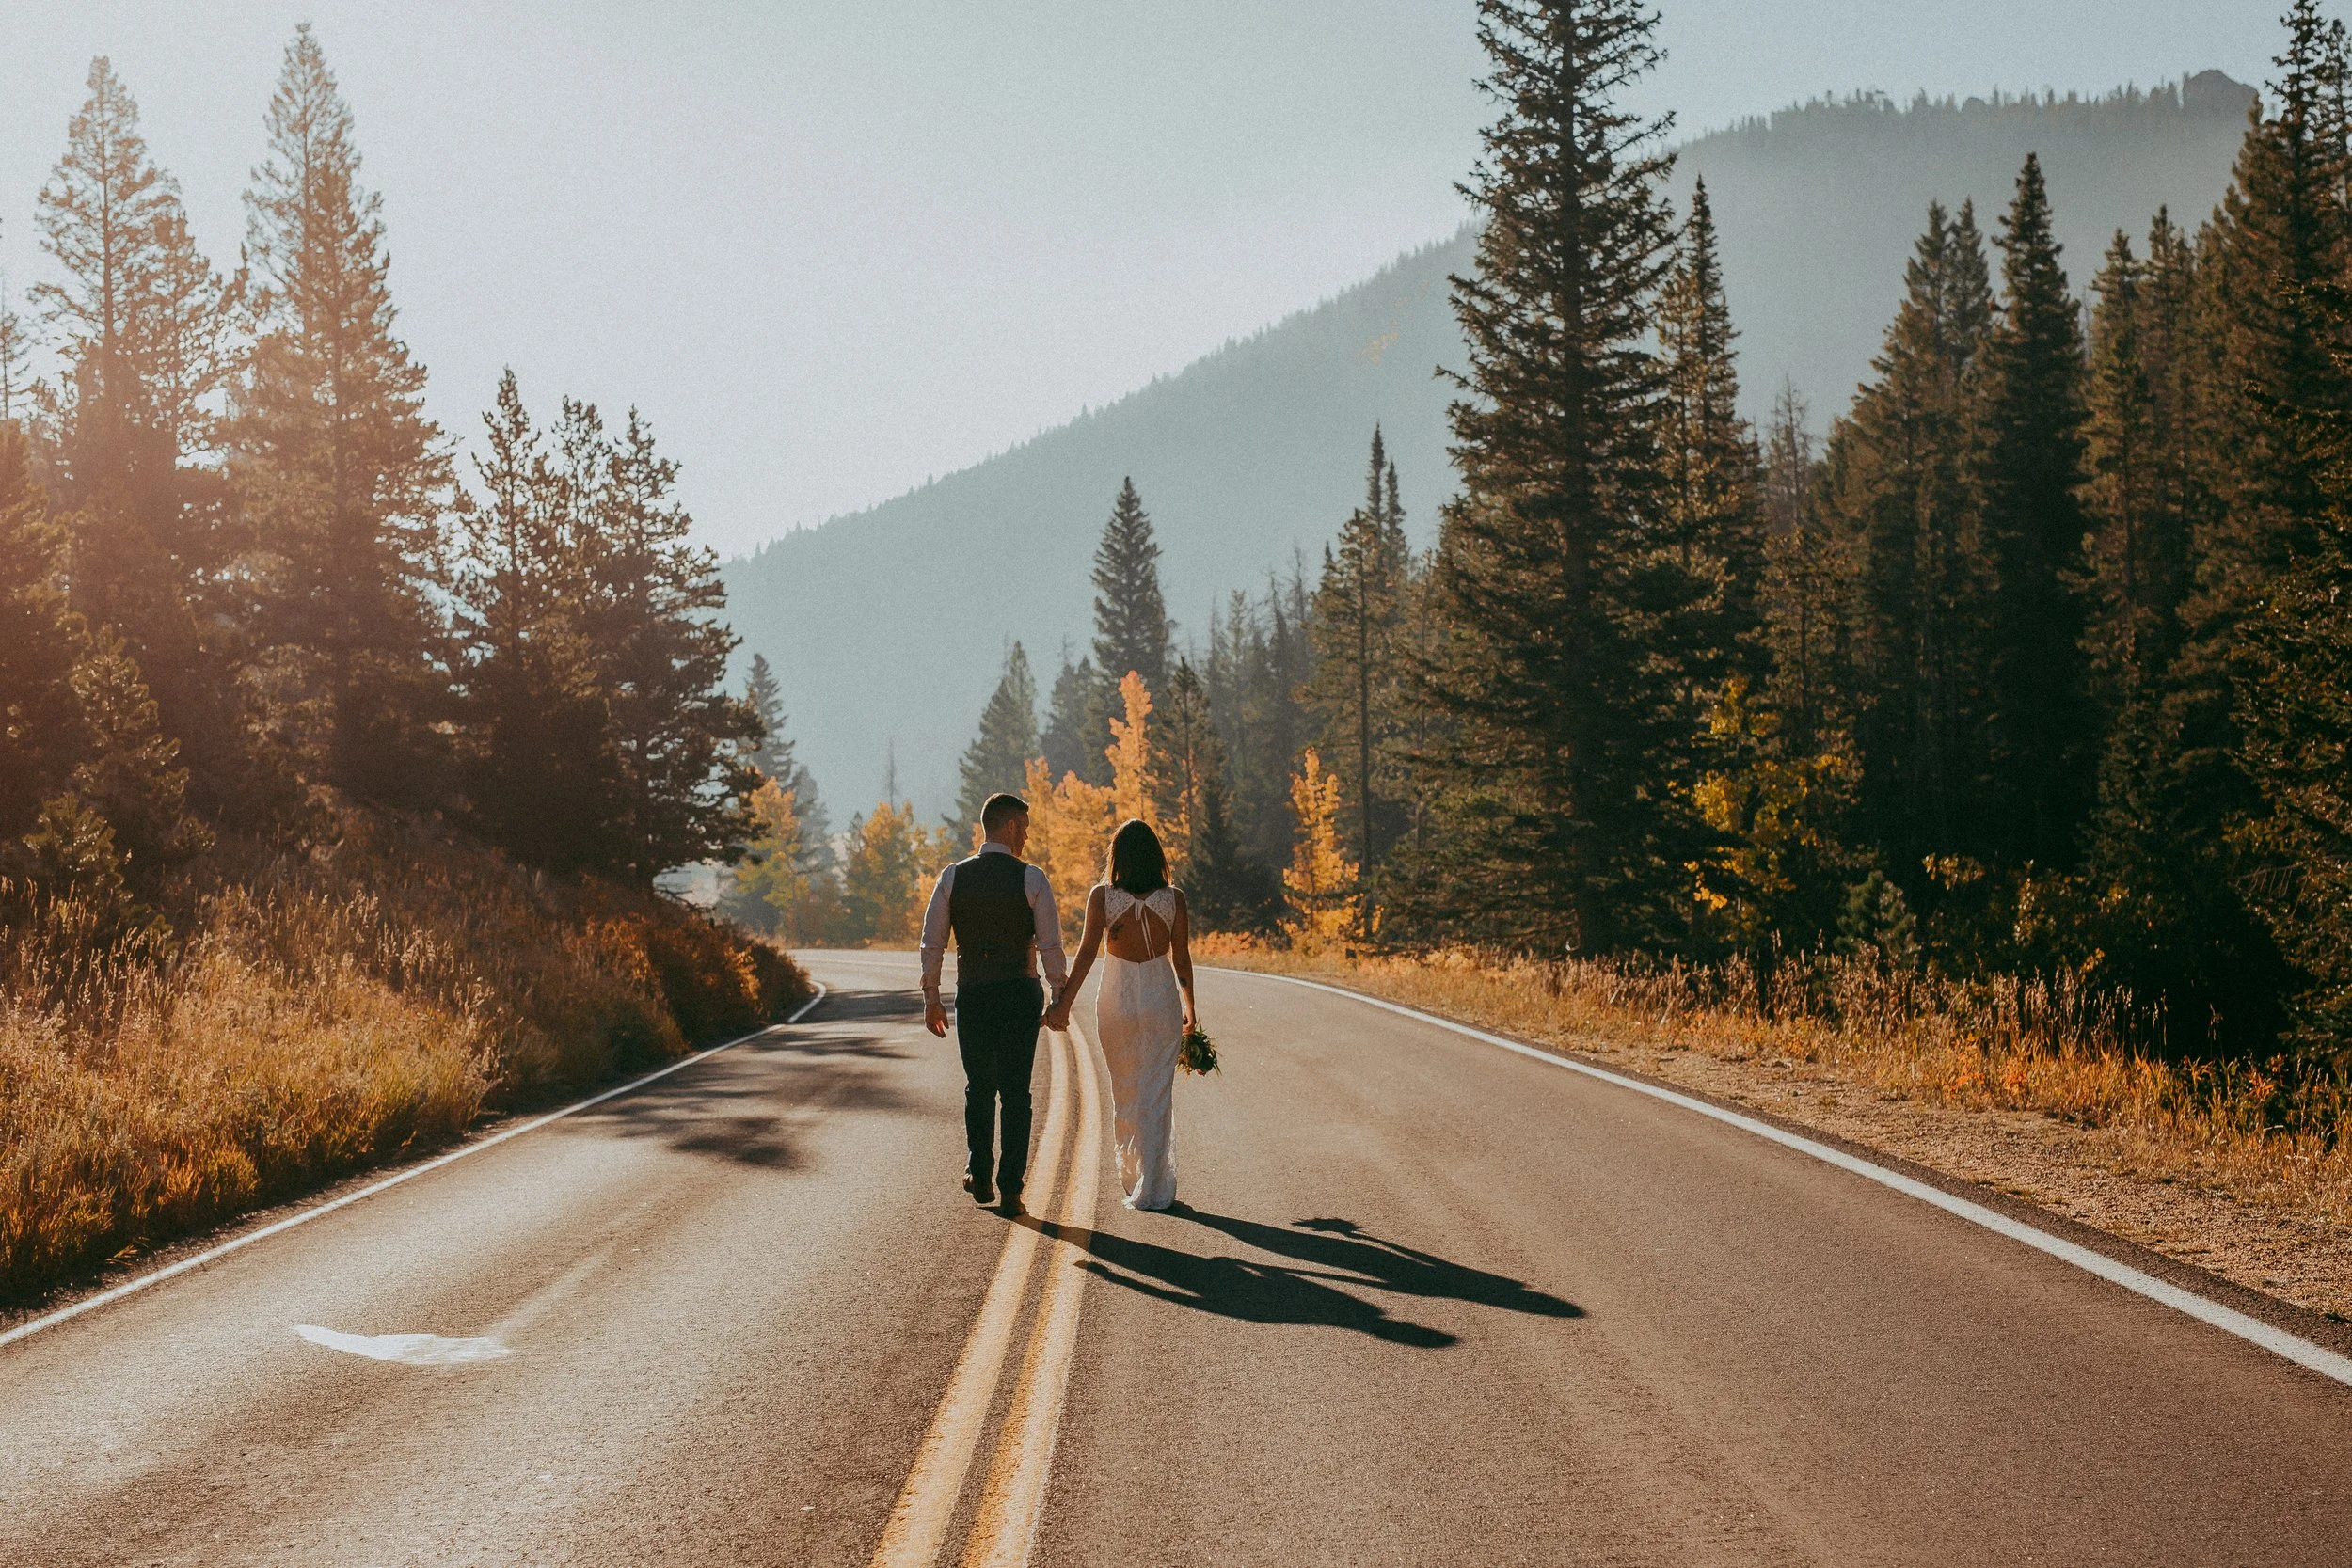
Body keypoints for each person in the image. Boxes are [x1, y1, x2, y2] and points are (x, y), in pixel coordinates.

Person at [920, 791, 1066, 1213]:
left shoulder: (952, 877)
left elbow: (933, 943)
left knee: (979, 1086)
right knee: (1017, 1092)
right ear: (1010, 827)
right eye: (1025, 826)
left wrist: (932, 997)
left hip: (975, 993)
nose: (1027, 835)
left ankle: (980, 1172)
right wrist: (1059, 996)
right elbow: (1050, 944)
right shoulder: (1032, 878)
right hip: (1019, 991)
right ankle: (1012, 1187)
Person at [1048, 817, 1197, 1212]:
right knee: (1156, 1091)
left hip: (1116, 999)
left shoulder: (1102, 897)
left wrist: (1063, 1003)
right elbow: (1181, 959)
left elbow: (1084, 955)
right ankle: (1154, 1181)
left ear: (1117, 857)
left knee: (1126, 1089)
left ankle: (1134, 1178)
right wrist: (1190, 1008)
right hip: (1160, 998)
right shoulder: (1174, 900)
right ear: (1156, 857)